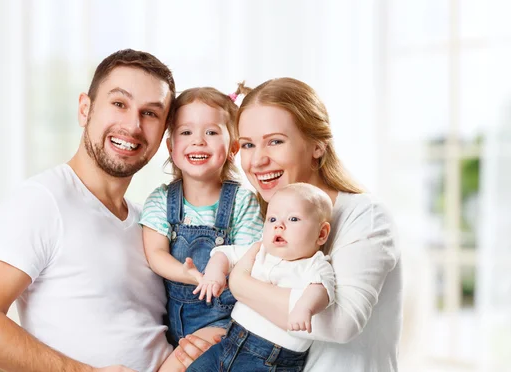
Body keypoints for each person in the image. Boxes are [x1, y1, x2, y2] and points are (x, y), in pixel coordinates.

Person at [0, 49, 212, 372]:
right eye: (119, 104)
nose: (132, 125)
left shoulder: (150, 223)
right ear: (85, 109)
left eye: (150, 113)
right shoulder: (43, 200)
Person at [195, 78, 402, 372]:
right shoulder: (271, 223)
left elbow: (341, 323)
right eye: (249, 145)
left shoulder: (364, 215)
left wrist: (241, 284)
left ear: (317, 145)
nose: (257, 160)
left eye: (275, 141)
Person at [139, 87, 264, 369]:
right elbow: (155, 253)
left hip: (228, 321)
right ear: (170, 147)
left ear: (233, 148)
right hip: (177, 325)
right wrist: (185, 273)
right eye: (186, 132)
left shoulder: (243, 201)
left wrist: (215, 273)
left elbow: (247, 258)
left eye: (211, 132)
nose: (198, 141)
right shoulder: (161, 200)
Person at [187, 182, 336, 371]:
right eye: (272, 219)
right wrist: (214, 274)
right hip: (229, 341)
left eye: (293, 219)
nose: (279, 226)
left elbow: (321, 289)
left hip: (270, 359)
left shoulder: (314, 264)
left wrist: (304, 307)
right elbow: (224, 254)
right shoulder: (260, 251)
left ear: (322, 234)